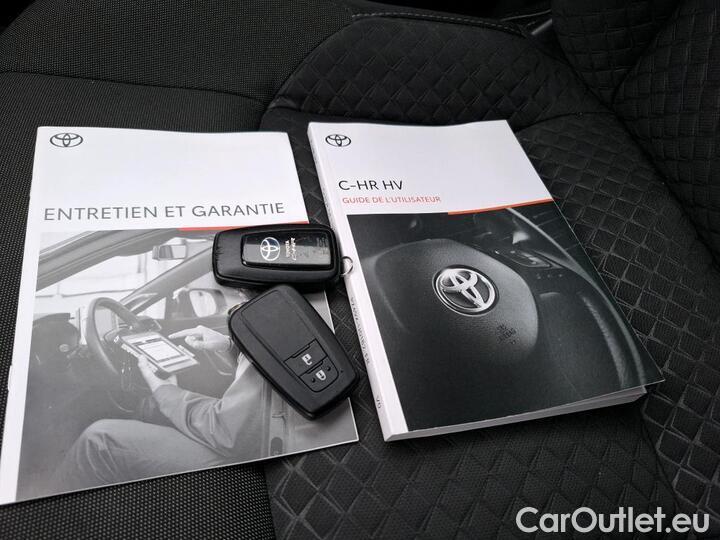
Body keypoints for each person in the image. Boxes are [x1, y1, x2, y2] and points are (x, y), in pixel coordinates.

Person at [52, 326, 269, 491]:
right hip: (255, 442)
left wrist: (165, 391)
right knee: (150, 407)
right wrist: (229, 346)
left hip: (253, 465)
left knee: (99, 441)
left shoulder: (273, 325)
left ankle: (49, 521)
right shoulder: (275, 321)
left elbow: (227, 431)